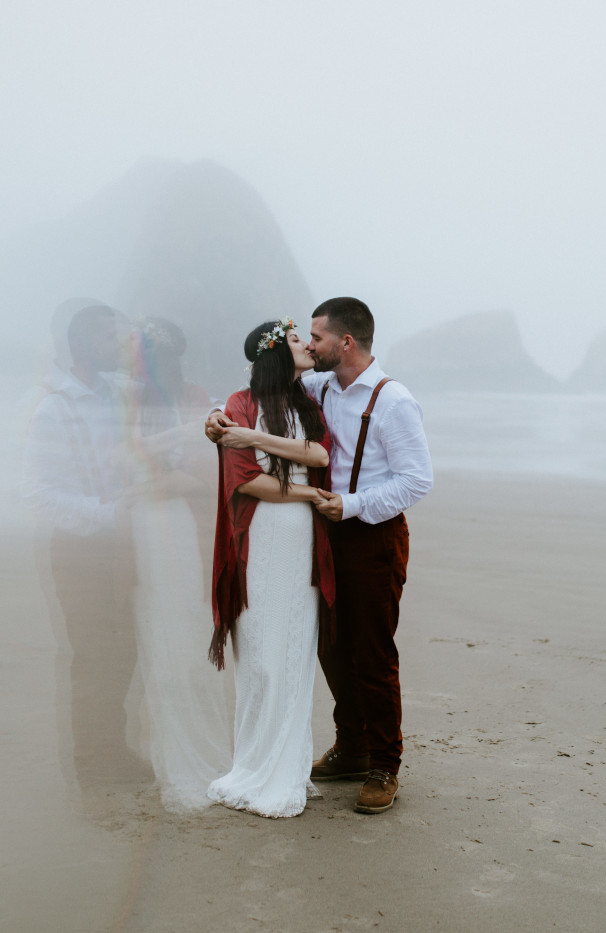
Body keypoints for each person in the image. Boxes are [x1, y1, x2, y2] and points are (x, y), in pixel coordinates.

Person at [206, 297, 433, 814]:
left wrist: (349, 505)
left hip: (371, 534)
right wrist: (215, 417)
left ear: (345, 343)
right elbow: (261, 394)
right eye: (304, 338)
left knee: (372, 652)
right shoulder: (318, 386)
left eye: (318, 337)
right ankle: (351, 747)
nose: (309, 345)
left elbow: (417, 480)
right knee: (329, 646)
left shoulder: (393, 400)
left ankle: (383, 765)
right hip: (319, 534)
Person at [206, 318, 336, 818]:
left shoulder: (310, 401)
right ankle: (255, 764)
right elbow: (246, 482)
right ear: (278, 351)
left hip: (301, 538)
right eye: (299, 339)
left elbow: (321, 452)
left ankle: (288, 769)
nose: (308, 344)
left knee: (293, 648)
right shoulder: (240, 403)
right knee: (260, 651)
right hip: (261, 536)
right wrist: (305, 490)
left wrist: (253, 438)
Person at [22, 304, 150, 802]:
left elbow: (172, 399)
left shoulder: (116, 391)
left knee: (124, 652)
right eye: (109, 338)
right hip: (78, 549)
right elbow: (37, 494)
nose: (119, 347)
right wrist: (110, 515)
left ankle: (113, 751)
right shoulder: (53, 406)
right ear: (82, 344)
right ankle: (93, 767)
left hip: (121, 547)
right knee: (94, 655)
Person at [126, 318, 232, 812]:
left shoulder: (196, 397)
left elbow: (216, 462)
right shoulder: (128, 400)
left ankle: (198, 742)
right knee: (156, 628)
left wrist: (175, 483)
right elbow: (119, 464)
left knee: (188, 622)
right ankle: (160, 745)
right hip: (144, 522)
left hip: (184, 520)